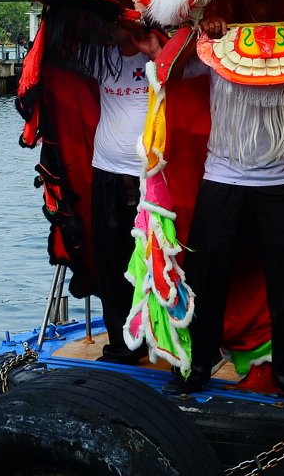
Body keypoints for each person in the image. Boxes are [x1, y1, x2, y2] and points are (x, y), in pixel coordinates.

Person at [162, 0, 284, 406]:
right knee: (203, 281)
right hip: (223, 179)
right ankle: (194, 368)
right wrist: (200, 31)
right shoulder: (216, 42)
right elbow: (170, 70)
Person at [91, 22, 162, 364]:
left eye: (132, 21)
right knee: (112, 262)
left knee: (154, 259)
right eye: (118, 22)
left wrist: (154, 52)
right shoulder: (100, 57)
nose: (125, 28)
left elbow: (183, 84)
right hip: (106, 172)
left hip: (152, 175)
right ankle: (121, 344)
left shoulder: (160, 54)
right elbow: (53, 56)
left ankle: (159, 337)